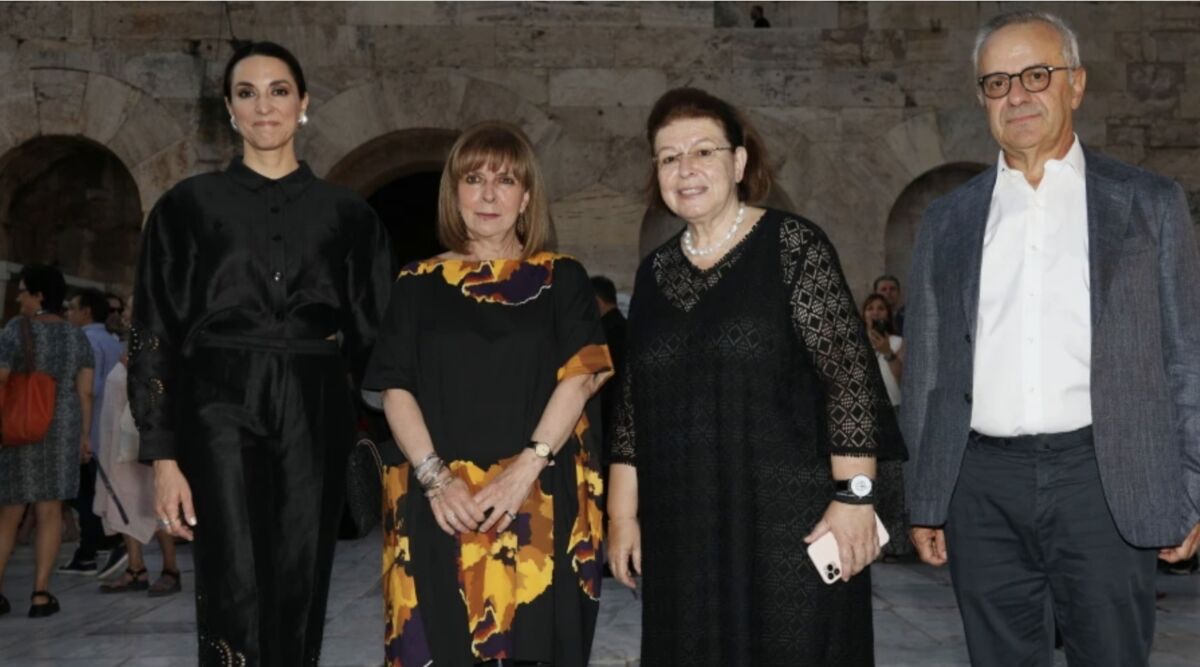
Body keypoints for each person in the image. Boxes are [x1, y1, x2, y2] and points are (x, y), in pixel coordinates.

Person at [901, 11, 1200, 667]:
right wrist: (926, 493)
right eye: (997, 82)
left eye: (1036, 75)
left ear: (1076, 84)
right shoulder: (949, 219)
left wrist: (1191, 487)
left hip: (1104, 477)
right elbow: (926, 367)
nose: (1017, 95)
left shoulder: (1148, 203)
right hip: (980, 486)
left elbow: (1187, 357)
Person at [606, 87, 901, 665]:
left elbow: (848, 379)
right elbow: (634, 406)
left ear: (739, 162)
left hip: (791, 525)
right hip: (683, 528)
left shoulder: (794, 247)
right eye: (669, 158)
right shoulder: (653, 274)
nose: (686, 169)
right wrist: (621, 517)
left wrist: (855, 498)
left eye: (703, 151)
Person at [129, 41, 393, 665]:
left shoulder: (349, 214)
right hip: (215, 402)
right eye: (246, 93)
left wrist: (399, 449)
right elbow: (154, 331)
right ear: (229, 109)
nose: (264, 106)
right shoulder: (185, 207)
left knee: (304, 574)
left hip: (316, 401)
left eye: (279, 91)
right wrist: (163, 455)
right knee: (231, 575)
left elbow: (378, 340)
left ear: (303, 103)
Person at [364, 121, 612, 666]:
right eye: (474, 179)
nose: (489, 195)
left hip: (540, 496)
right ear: (454, 193)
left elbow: (581, 376)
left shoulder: (562, 277)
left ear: (526, 196)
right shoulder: (417, 281)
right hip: (438, 499)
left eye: (505, 180)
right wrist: (436, 480)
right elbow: (394, 386)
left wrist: (523, 472)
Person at [0, 264, 95, 618]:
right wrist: (83, 436)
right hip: (62, 427)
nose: (18, 298)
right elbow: (85, 392)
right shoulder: (76, 336)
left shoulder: (16, 329)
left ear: (39, 295)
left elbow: (1, 376)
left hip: (20, 426)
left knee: (10, 512)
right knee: (50, 510)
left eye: (24, 291)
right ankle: (40, 594)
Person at [94, 294, 181, 597]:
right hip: (117, 437)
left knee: (154, 498)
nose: (124, 312)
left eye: (130, 307)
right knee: (122, 497)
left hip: (144, 436)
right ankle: (135, 568)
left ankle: (170, 568)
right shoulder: (128, 343)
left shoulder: (158, 343)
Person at [60, 288, 126, 579]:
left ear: (86, 311)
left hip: (87, 431)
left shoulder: (83, 340)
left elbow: (87, 390)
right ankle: (105, 542)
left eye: (72, 308)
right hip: (108, 429)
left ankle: (90, 550)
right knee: (95, 492)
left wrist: (81, 433)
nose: (68, 314)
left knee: (81, 494)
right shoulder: (113, 343)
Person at [861, 293, 911, 560]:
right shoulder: (855, 341)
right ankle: (869, 543)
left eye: (880, 308)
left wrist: (887, 353)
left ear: (888, 314)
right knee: (867, 480)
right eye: (870, 308)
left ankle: (895, 544)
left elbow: (905, 381)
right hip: (865, 414)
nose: (876, 312)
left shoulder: (898, 343)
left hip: (894, 413)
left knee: (892, 480)